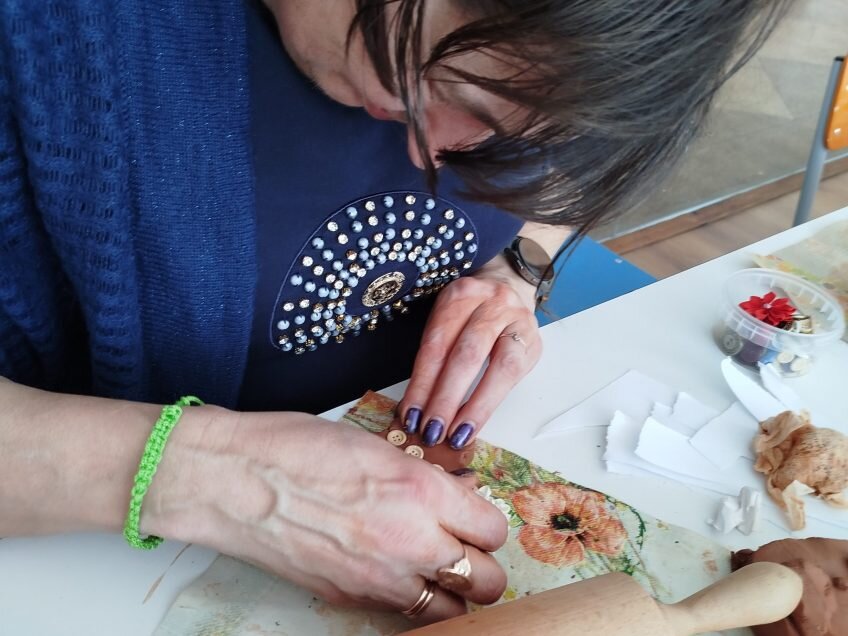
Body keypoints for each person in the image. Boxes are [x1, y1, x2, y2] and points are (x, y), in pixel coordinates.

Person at [0, 0, 786, 624]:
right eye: (452, 90)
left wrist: (518, 264)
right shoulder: (52, 41)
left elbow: (574, 174)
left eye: (513, 133)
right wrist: (211, 478)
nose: (435, 160)